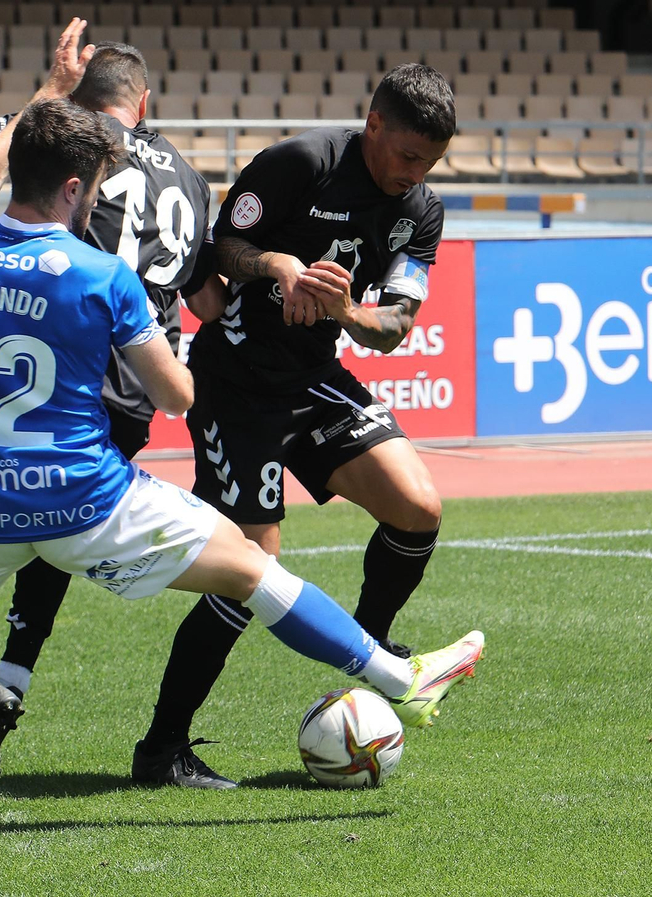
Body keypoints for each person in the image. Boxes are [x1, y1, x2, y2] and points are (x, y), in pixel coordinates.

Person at [0, 22, 484, 838]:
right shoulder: (101, 274)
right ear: (81, 189)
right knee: (256, 572)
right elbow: (182, 395)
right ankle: (398, 675)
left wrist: (49, 92)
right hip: (86, 498)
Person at [0, 43, 226, 802]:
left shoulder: (66, 144)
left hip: (60, 367)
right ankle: (9, 678)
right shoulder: (190, 177)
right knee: (55, 543)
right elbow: (205, 299)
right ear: (146, 103)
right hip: (139, 391)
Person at [132, 64, 460, 787]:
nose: (415, 174)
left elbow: (395, 324)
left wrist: (343, 310)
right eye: (407, 155)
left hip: (313, 377)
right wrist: (278, 263)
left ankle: (369, 652)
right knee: (252, 570)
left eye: (429, 162)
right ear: (373, 124)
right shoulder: (302, 163)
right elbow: (215, 251)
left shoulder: (421, 210)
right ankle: (161, 749)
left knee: (418, 507)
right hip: (237, 380)